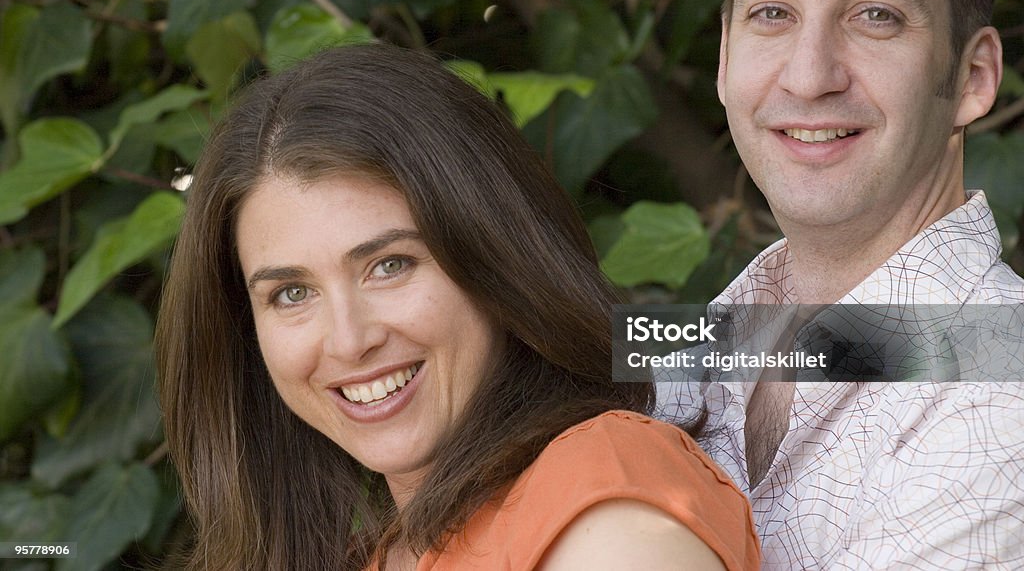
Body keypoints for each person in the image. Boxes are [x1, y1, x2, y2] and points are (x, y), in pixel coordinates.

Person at [154, 43, 760, 570]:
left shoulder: (600, 484)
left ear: (495, 260)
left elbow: (843, 337)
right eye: (292, 293)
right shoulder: (367, 554)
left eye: (390, 265)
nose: (347, 340)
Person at [659, 0, 1024, 568]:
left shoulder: (1003, 399)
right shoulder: (695, 341)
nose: (809, 75)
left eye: (876, 16)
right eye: (772, 13)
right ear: (724, 57)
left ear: (973, 77)